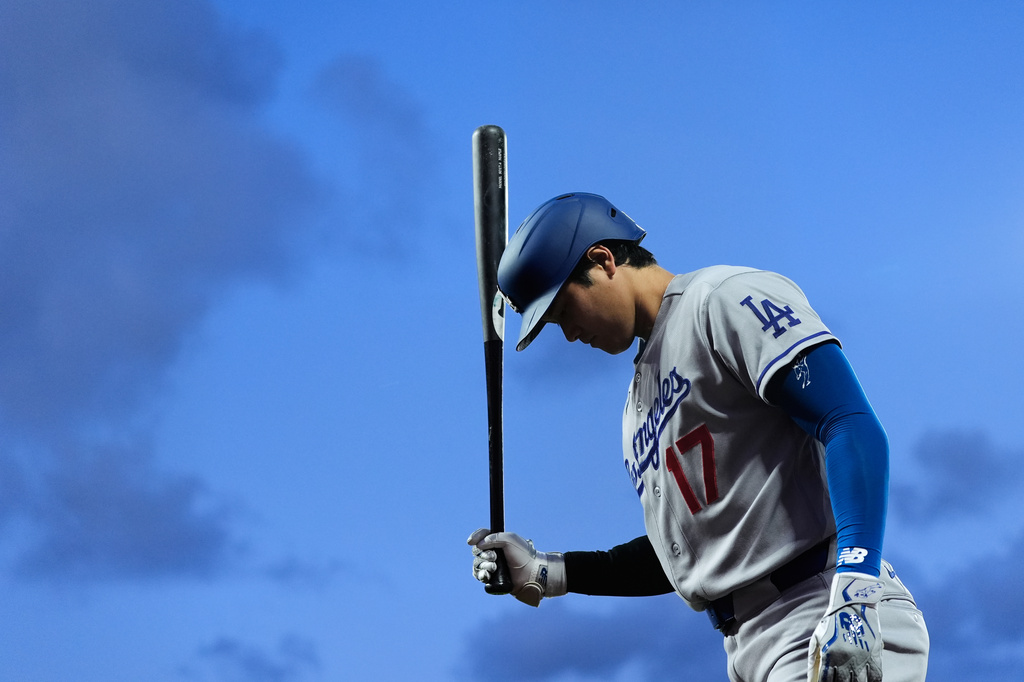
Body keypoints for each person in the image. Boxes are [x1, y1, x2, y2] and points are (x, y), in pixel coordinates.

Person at [467, 193, 929, 682]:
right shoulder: (635, 409)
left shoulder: (720, 300)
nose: (568, 333)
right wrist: (548, 571)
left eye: (563, 309)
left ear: (602, 261)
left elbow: (848, 422)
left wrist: (855, 590)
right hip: (749, 645)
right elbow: (689, 555)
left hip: (822, 602)